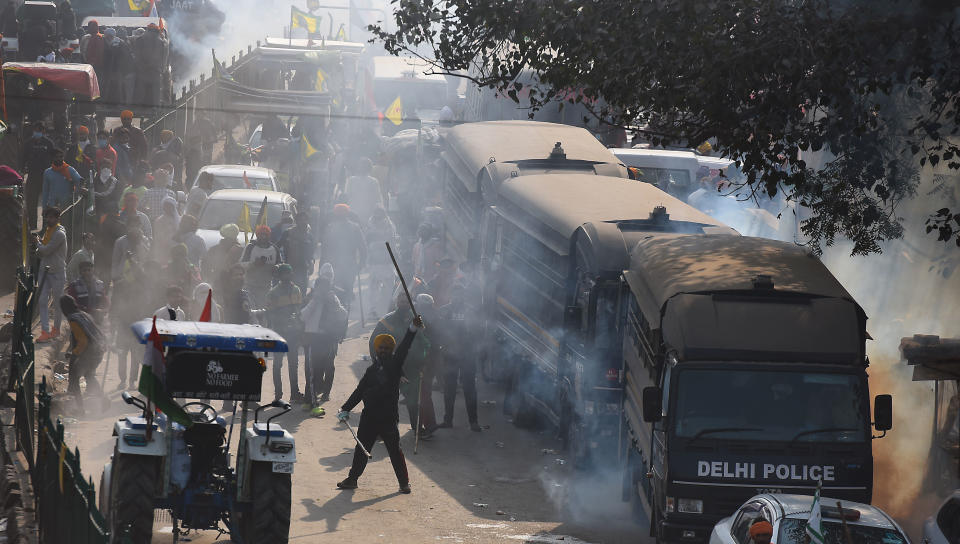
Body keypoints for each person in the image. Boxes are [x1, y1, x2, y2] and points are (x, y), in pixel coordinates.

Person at [336, 314, 424, 494]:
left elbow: (404, 347)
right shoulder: (371, 370)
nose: (383, 350)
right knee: (361, 449)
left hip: (388, 418)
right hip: (369, 417)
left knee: (395, 452)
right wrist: (345, 408)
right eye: (380, 348)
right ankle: (352, 479)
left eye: (386, 348)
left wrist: (412, 329)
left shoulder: (395, 364)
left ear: (391, 350)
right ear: (376, 350)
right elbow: (359, 391)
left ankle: (404, 483)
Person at [437, 284, 481, 431]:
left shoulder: (471, 311)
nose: (457, 297)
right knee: (449, 388)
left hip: (468, 355)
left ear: (464, 296)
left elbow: (479, 331)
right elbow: (438, 330)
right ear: (451, 295)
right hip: (450, 355)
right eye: (455, 294)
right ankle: (448, 420)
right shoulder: (444, 311)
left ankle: (473, 422)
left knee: (470, 388)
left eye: (460, 294)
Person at [302, 274, 347, 403]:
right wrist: (315, 301)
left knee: (328, 366)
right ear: (316, 288)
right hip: (313, 338)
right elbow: (302, 317)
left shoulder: (333, 298)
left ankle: (326, 393)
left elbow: (343, 316)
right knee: (312, 368)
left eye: (326, 288)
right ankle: (312, 394)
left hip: (330, 338)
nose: (323, 291)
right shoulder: (311, 298)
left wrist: (334, 304)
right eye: (321, 288)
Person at [60, 294, 106, 412]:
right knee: (89, 375)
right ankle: (104, 400)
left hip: (89, 353)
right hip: (98, 350)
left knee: (75, 379)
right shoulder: (83, 314)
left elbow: (83, 341)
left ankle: (80, 409)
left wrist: (74, 353)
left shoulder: (73, 319)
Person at [267, 264, 304, 401]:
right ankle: (278, 395)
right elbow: (270, 314)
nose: (286, 277)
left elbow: (299, 310)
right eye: (283, 274)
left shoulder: (296, 289)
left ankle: (294, 392)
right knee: (277, 364)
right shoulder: (273, 293)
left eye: (288, 274)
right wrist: (283, 320)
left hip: (293, 332)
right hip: (279, 332)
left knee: (293, 363)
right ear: (279, 276)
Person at [321, 204, 366, 306]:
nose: (340, 216)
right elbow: (325, 248)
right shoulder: (330, 228)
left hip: (348, 264)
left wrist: (362, 263)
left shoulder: (354, 228)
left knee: (345, 290)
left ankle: (343, 312)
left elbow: (362, 247)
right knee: (337, 290)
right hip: (335, 265)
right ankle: (340, 312)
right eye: (339, 214)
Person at [35, 208, 68, 343]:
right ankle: (45, 331)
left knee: (58, 302)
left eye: (51, 218)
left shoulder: (59, 234)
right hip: (45, 270)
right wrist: (38, 244)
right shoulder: (48, 231)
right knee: (42, 300)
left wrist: (36, 243)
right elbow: (41, 250)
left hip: (57, 272)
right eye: (47, 217)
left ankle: (56, 329)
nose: (48, 220)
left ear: (57, 219)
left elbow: (46, 250)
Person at [21, 122, 57, 228]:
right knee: (31, 202)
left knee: (48, 203)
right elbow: (22, 158)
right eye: (36, 130)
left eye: (40, 130)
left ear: (43, 131)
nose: (38, 132)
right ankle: (32, 226)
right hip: (32, 176)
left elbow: (55, 158)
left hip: (46, 177)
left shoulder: (49, 143)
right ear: (33, 131)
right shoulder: (28, 143)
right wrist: (21, 171)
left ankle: (47, 226)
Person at [365, 207, 398, 317]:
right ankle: (374, 309)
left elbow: (392, 242)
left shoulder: (389, 225)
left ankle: (384, 308)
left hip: (385, 262)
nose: (378, 219)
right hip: (377, 262)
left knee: (385, 287)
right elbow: (366, 241)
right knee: (376, 287)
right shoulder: (371, 225)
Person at [240, 225, 283, 309]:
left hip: (266, 287)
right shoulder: (250, 247)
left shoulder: (274, 249)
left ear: (269, 235)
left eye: (265, 234)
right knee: (250, 310)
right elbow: (241, 265)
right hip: (250, 286)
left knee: (262, 311)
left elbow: (281, 264)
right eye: (261, 234)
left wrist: (277, 267)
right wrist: (254, 264)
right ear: (257, 235)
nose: (263, 237)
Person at [133, 22, 168, 109]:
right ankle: (155, 106)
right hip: (156, 70)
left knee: (141, 89)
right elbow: (164, 57)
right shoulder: (163, 42)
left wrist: (140, 67)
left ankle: (139, 106)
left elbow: (137, 55)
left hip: (143, 69)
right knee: (156, 91)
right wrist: (162, 69)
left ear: (147, 30)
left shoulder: (140, 40)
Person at [279, 211, 315, 291]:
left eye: (305, 220)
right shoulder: (288, 233)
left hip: (304, 269)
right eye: (301, 220)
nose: (303, 222)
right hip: (289, 269)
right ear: (296, 221)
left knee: (302, 291)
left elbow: (312, 252)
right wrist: (280, 262)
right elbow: (277, 247)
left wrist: (312, 262)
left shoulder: (309, 236)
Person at [342, 157, 384, 227]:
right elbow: (378, 200)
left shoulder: (351, 180)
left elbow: (346, 197)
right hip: (369, 213)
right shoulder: (374, 181)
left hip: (353, 212)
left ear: (359, 167)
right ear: (370, 168)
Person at [202, 223, 243, 289]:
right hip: (219, 284)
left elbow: (205, 266)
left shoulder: (240, 250)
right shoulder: (241, 250)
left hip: (231, 285)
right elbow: (205, 265)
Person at [151, 196, 180, 263]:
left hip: (176, 249)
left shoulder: (178, 219)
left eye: (170, 206)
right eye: (166, 206)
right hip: (163, 249)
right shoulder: (159, 220)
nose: (168, 208)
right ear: (163, 207)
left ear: (173, 207)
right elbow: (159, 236)